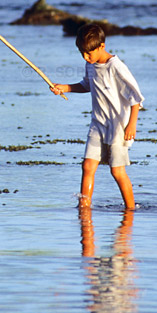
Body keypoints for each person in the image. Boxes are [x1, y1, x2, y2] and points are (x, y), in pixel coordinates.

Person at [51, 23, 144, 209]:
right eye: (82, 53)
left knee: (117, 171)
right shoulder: (90, 64)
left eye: (89, 53)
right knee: (87, 166)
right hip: (97, 124)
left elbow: (136, 98)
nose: (86, 57)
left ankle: (131, 209)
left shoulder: (116, 67)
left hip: (118, 126)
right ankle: (84, 207)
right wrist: (65, 88)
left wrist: (131, 125)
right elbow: (87, 85)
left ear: (102, 46)